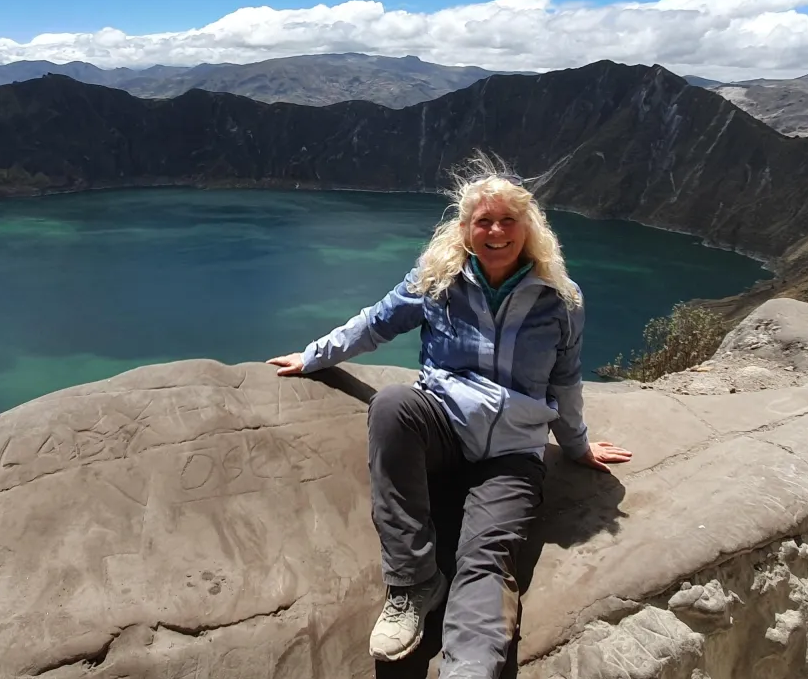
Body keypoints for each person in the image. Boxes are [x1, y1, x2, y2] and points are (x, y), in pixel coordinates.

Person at [267, 153, 632, 679]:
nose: (497, 231)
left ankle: (470, 667)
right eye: (484, 220)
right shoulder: (438, 278)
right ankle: (414, 584)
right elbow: (376, 323)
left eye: (509, 220)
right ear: (465, 228)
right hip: (443, 423)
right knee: (391, 404)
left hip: (511, 453)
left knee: (483, 559)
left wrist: (576, 447)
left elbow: (565, 381)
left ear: (529, 229)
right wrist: (315, 355)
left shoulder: (561, 300)